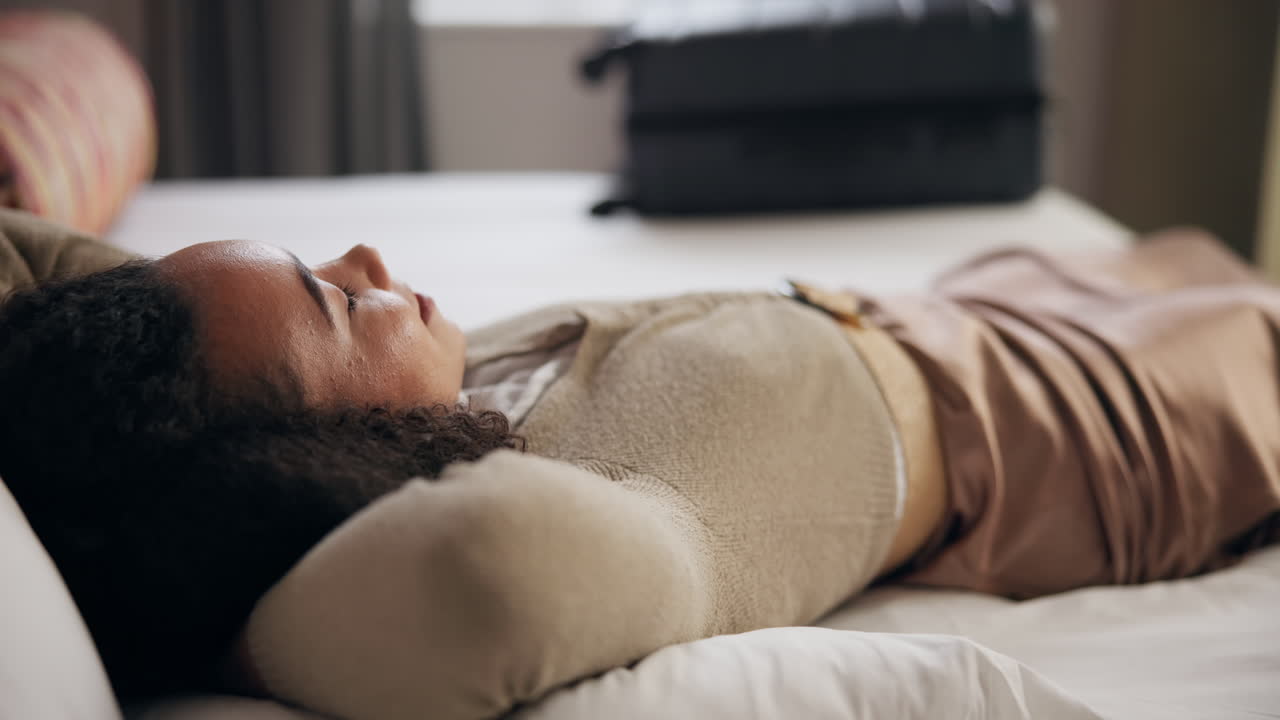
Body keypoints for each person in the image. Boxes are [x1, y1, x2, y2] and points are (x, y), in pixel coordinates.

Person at [0, 209, 1277, 706]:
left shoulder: (294, 393)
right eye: (337, 304)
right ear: (290, 450)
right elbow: (480, 577)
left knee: (1176, 241)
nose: (373, 263)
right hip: (1084, 428)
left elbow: (48, 272)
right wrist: (204, 598)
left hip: (920, 306)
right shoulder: (613, 523)